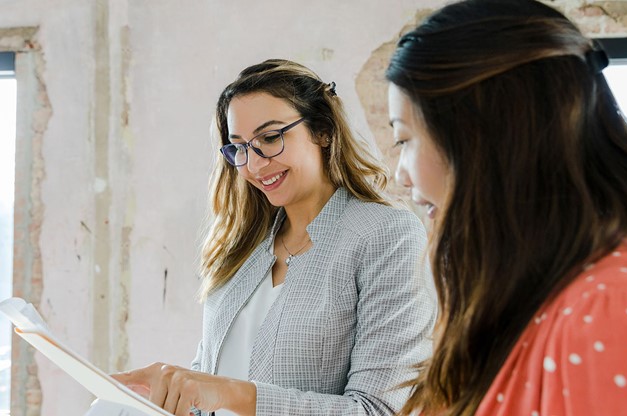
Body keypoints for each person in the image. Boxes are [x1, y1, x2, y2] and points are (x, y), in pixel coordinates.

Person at [385, 0, 627, 415]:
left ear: (482, 140)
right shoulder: (529, 294)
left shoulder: (615, 305)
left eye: (405, 140)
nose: (400, 175)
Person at [113, 59, 435, 416]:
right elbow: (210, 387)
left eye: (270, 138)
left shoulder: (387, 236)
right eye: (240, 147)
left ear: (323, 131)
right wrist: (162, 395)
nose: (254, 165)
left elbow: (379, 410)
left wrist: (233, 395)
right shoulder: (242, 247)